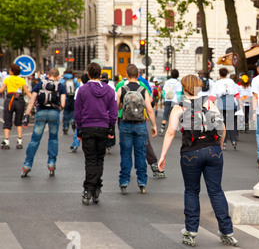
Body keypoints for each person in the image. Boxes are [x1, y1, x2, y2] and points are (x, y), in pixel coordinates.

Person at [157, 74, 237, 247]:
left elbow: (171, 132)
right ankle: (227, 230)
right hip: (213, 150)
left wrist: (162, 155)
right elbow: (222, 127)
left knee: (192, 191)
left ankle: (191, 230)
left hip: (191, 153)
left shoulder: (179, 107)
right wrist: (219, 147)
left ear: (184, 88)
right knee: (216, 191)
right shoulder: (209, 103)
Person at [74, 63, 118, 205]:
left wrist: (79, 128)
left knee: (90, 159)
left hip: (87, 126)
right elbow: (114, 111)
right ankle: (96, 188)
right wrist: (111, 126)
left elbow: (78, 112)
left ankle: (88, 189)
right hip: (103, 127)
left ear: (87, 74)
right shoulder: (110, 90)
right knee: (100, 159)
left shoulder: (82, 90)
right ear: (100, 74)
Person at [116, 64, 157, 195]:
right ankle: (142, 182)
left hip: (125, 123)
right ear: (138, 75)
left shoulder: (122, 89)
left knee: (126, 154)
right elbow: (149, 108)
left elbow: (116, 107)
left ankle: (124, 182)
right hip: (140, 124)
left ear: (127, 75)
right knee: (140, 153)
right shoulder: (143, 89)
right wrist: (154, 125)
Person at [21, 68, 66, 177]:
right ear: (57, 76)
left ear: (48, 75)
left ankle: (27, 165)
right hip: (54, 113)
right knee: (53, 139)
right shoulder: (60, 86)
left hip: (41, 113)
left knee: (35, 140)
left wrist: (27, 115)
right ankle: (51, 164)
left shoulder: (40, 85)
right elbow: (63, 104)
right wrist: (56, 110)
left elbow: (32, 101)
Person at [0, 63, 32, 149]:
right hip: (19, 100)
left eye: (10, 70)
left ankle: (6, 141)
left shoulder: (7, 79)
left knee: (7, 120)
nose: (9, 71)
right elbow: (27, 91)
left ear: (12, 71)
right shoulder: (21, 80)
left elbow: (1, 90)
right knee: (18, 121)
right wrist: (33, 99)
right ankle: (19, 141)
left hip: (10, 100)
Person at [209, 68, 240, 150]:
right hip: (231, 102)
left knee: (222, 123)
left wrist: (209, 105)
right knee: (231, 122)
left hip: (221, 103)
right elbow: (236, 93)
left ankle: (224, 142)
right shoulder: (231, 82)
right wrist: (239, 104)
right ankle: (234, 140)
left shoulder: (217, 83)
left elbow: (213, 96)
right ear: (227, 74)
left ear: (219, 74)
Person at [69, 73, 90, 153]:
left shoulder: (79, 89)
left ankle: (75, 145)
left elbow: (76, 103)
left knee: (78, 128)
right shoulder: (91, 89)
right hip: (89, 112)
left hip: (81, 112)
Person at [159, 69, 182, 136]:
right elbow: (179, 94)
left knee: (165, 114)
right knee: (173, 116)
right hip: (174, 101)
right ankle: (171, 129)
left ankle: (162, 129)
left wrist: (164, 98)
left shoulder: (167, 82)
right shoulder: (178, 83)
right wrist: (179, 102)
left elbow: (163, 92)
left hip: (167, 100)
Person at [60, 69, 80, 134]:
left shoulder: (62, 80)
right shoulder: (74, 80)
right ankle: (72, 120)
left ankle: (65, 127)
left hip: (65, 98)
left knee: (65, 112)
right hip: (73, 98)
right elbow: (78, 88)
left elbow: (59, 89)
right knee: (72, 111)